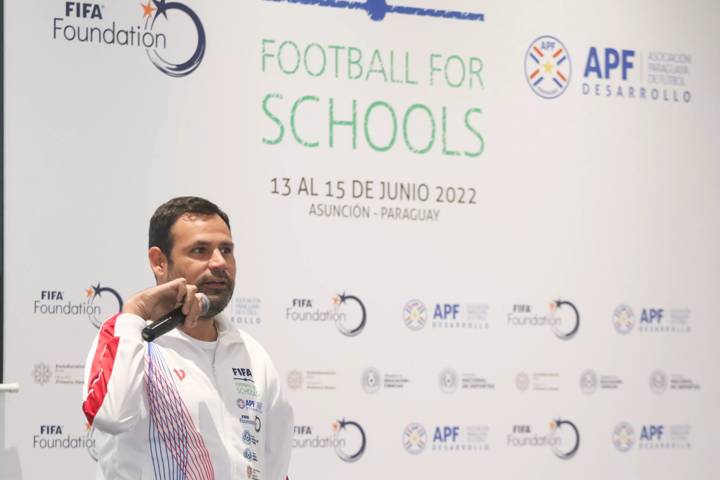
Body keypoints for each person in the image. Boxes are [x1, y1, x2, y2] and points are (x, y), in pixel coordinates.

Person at [82, 196, 293, 480]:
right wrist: (137, 311)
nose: (220, 263)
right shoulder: (130, 337)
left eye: (226, 250)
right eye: (200, 250)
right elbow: (110, 416)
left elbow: (275, 468)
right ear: (159, 262)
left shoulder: (252, 353)